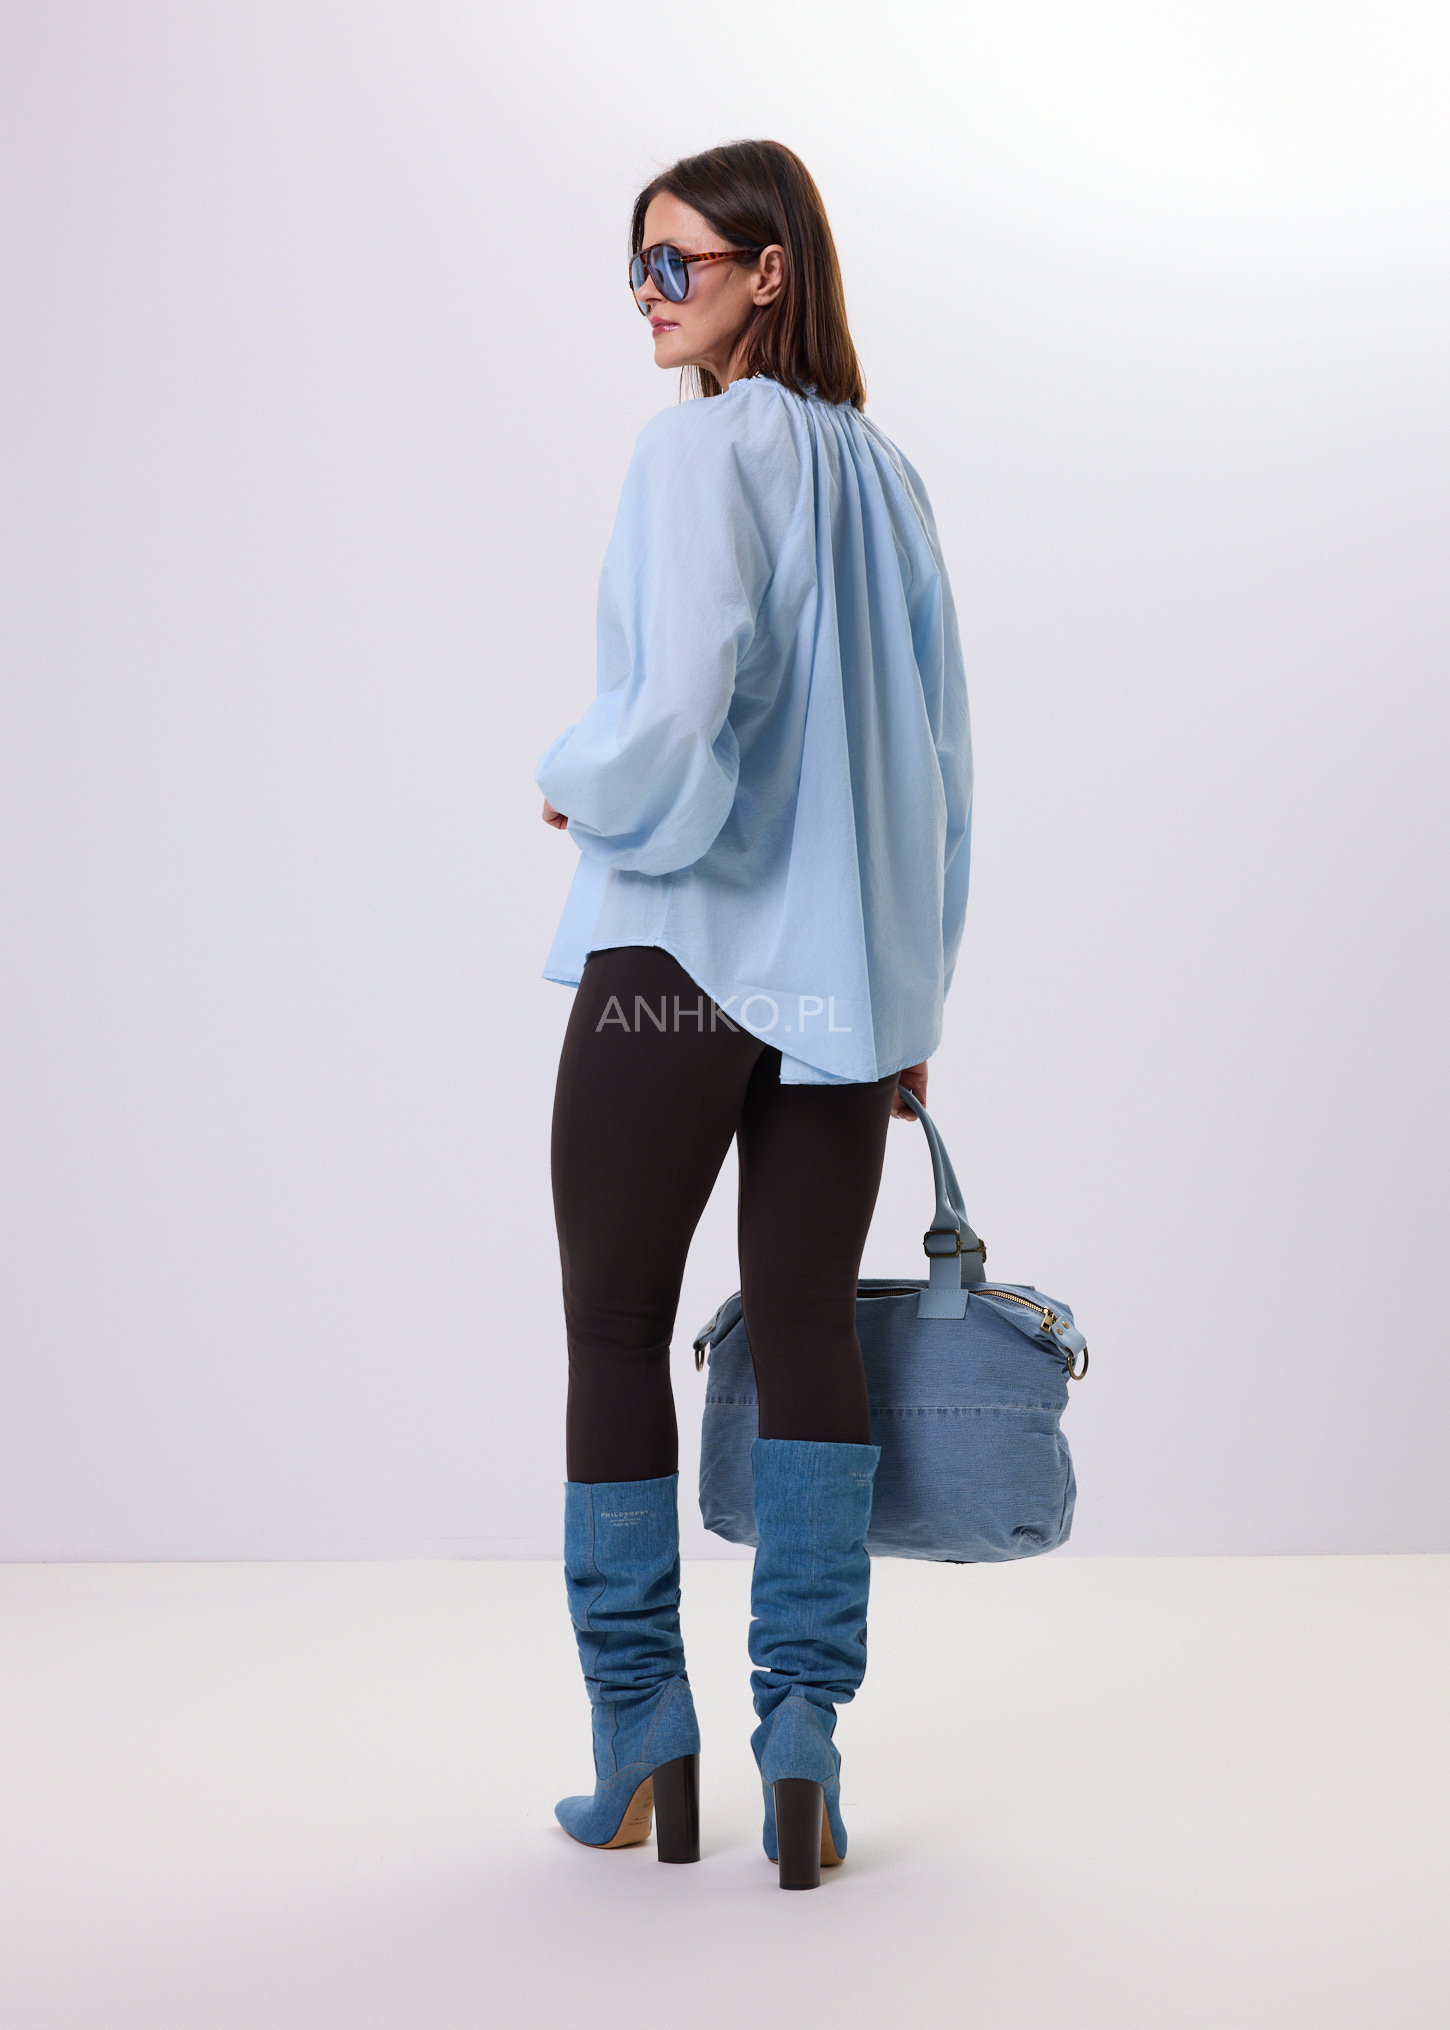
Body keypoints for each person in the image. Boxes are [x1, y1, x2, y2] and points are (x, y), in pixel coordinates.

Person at [535, 139, 972, 1889]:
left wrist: (579, 776)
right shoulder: (889, 477)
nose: (647, 297)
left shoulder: (697, 446)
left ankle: (640, 1732)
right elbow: (940, 768)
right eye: (635, 268)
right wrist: (910, 990)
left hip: (679, 966)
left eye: (676, 263)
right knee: (804, 1328)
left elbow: (676, 702)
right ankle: (803, 1742)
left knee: (612, 1327)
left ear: (765, 270)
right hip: (841, 987)